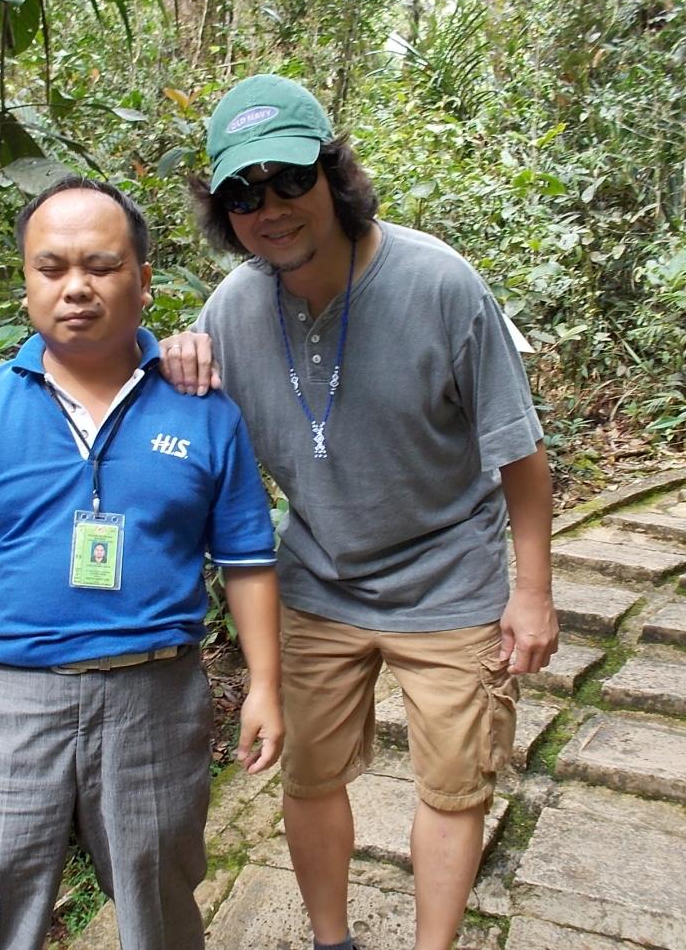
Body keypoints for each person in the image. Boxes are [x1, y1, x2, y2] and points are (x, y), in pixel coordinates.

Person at [159, 74, 559, 950]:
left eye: (289, 179)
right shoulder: (230, 312)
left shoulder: (441, 284)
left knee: (454, 785)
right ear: (223, 213)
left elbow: (520, 454)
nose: (271, 208)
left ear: (333, 175)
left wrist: (532, 593)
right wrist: (178, 359)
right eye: (243, 194)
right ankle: (330, 940)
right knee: (309, 776)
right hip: (318, 580)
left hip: (451, 580)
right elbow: (180, 450)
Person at [0, 176, 283, 950]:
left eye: (100, 266)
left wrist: (265, 683)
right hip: (4, 702)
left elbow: (247, 560)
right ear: (26, 281)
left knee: (161, 906)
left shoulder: (204, 412)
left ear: (142, 279)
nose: (76, 287)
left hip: (155, 699)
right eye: (52, 267)